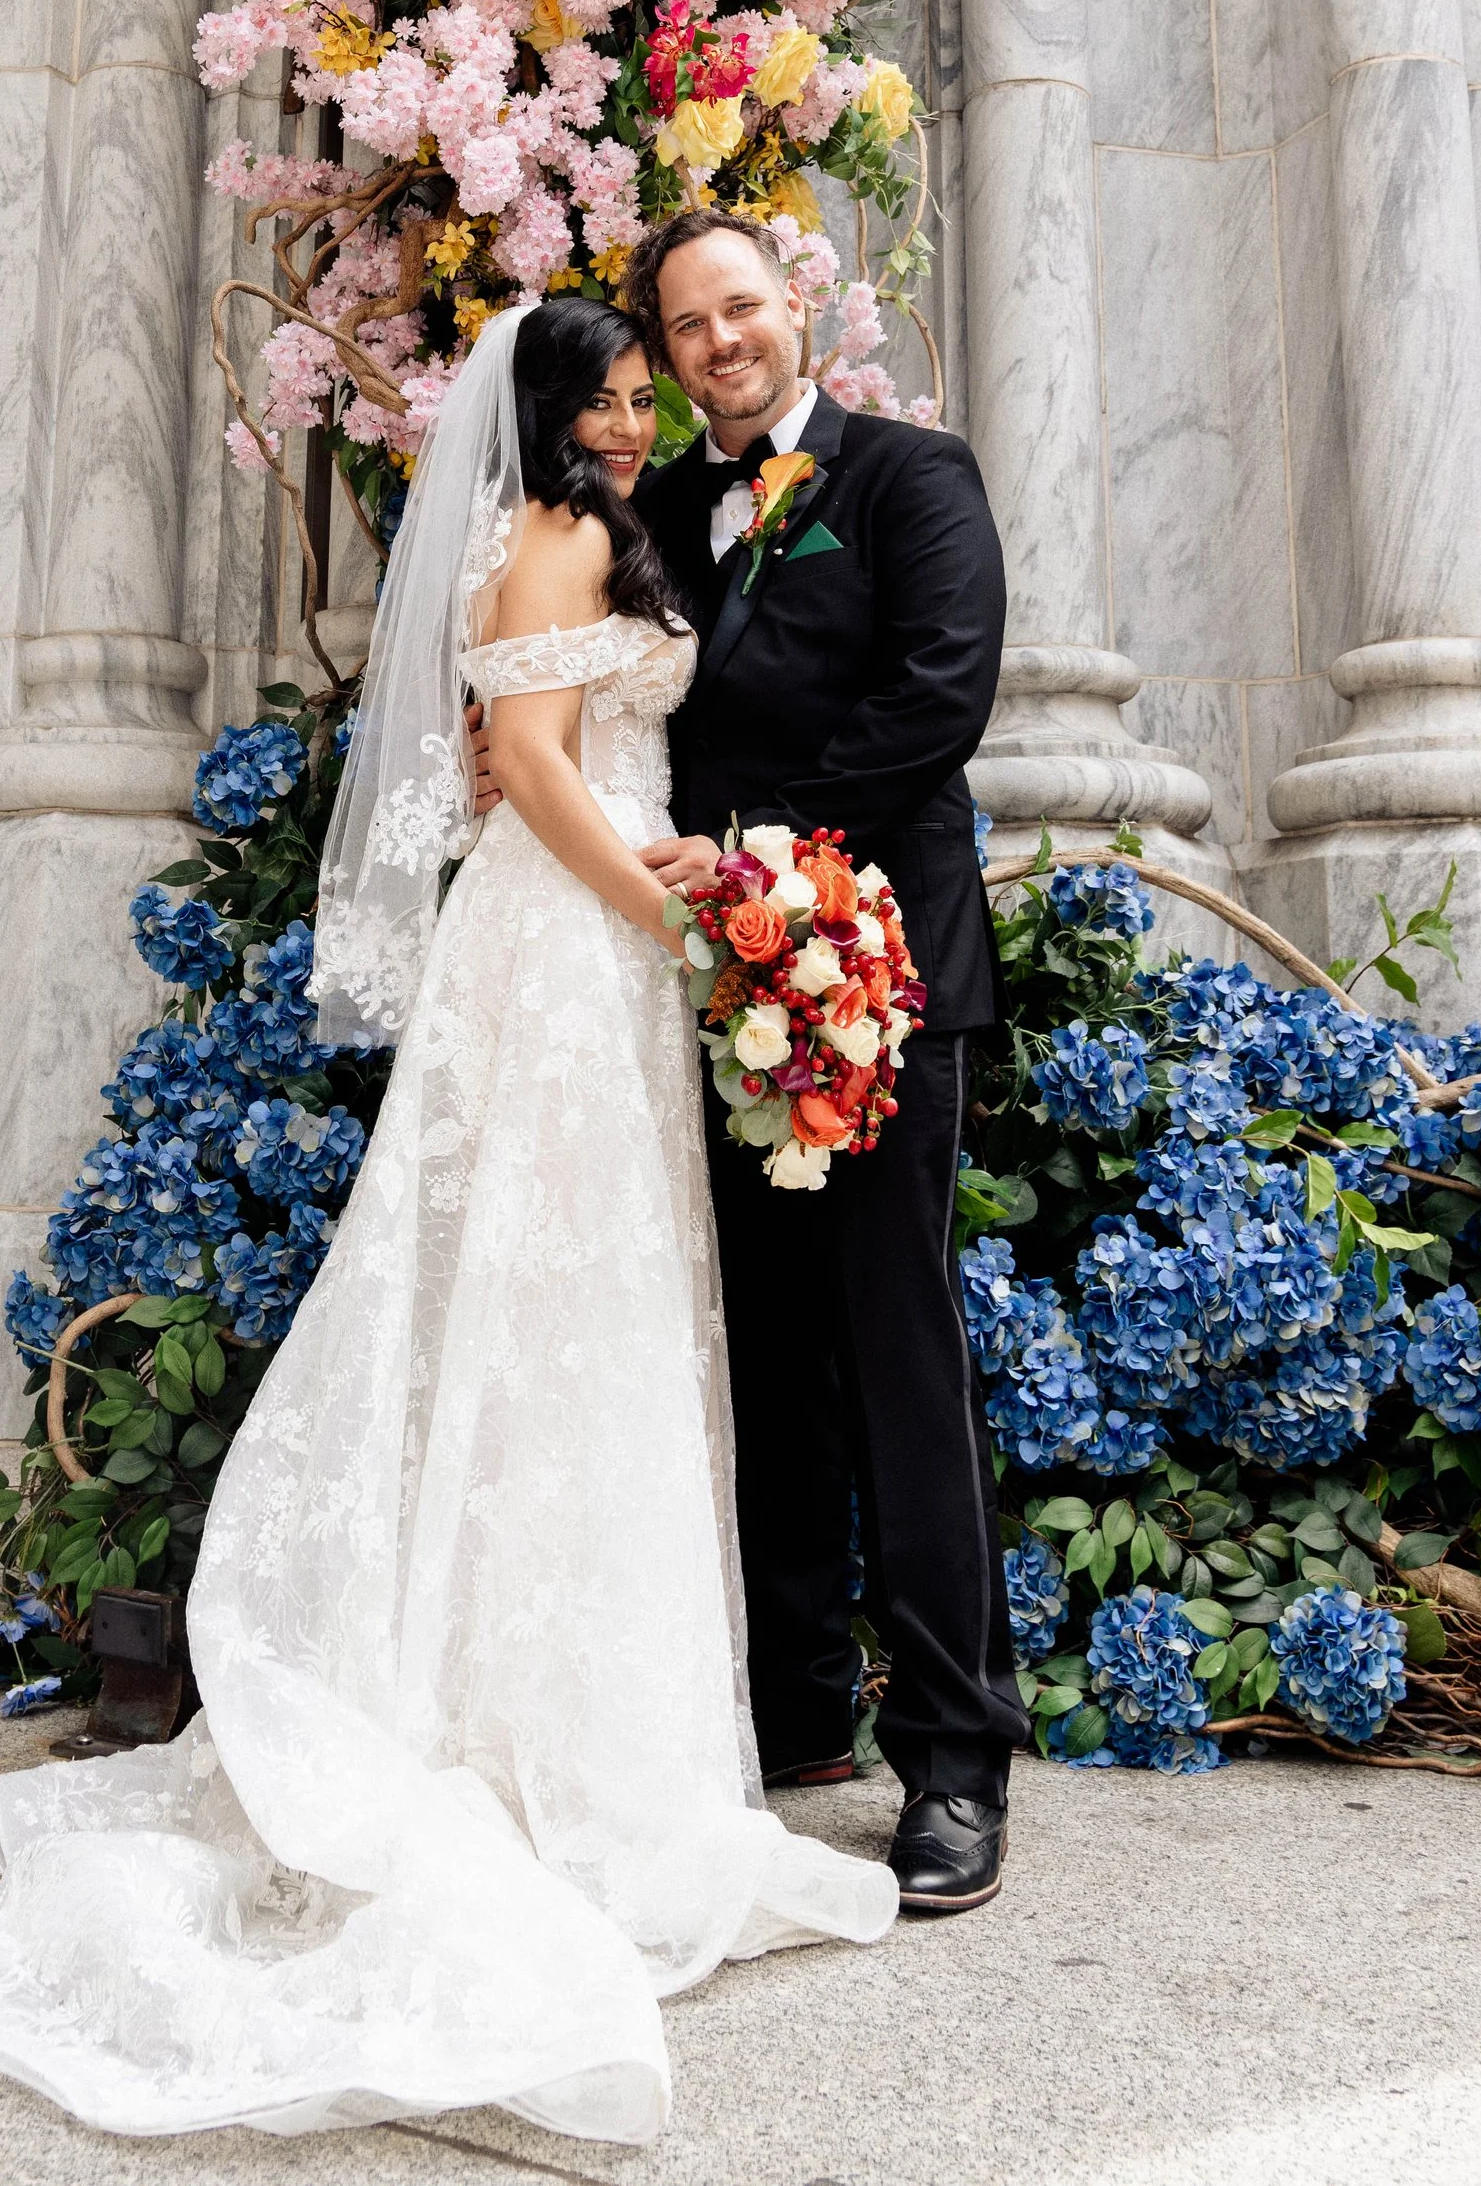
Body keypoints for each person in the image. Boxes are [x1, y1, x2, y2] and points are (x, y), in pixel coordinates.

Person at [0, 297, 894, 2145]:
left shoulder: (570, 526)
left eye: (638, 379)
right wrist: (686, 926)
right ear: (548, 405)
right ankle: (512, 1737)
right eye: (607, 380)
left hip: (584, 936)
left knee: (561, 1315)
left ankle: (545, 1707)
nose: (632, 402)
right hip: (573, 940)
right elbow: (538, 769)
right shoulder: (566, 533)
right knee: (549, 1314)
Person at [625, 208, 1027, 1916]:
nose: (724, 340)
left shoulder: (911, 480)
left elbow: (940, 699)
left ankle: (956, 1755)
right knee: (766, 1358)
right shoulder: (650, 513)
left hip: (879, 976)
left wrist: (756, 857)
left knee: (894, 1355)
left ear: (799, 308)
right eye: (689, 325)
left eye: (743, 306)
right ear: (667, 358)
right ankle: (795, 1708)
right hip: (716, 990)